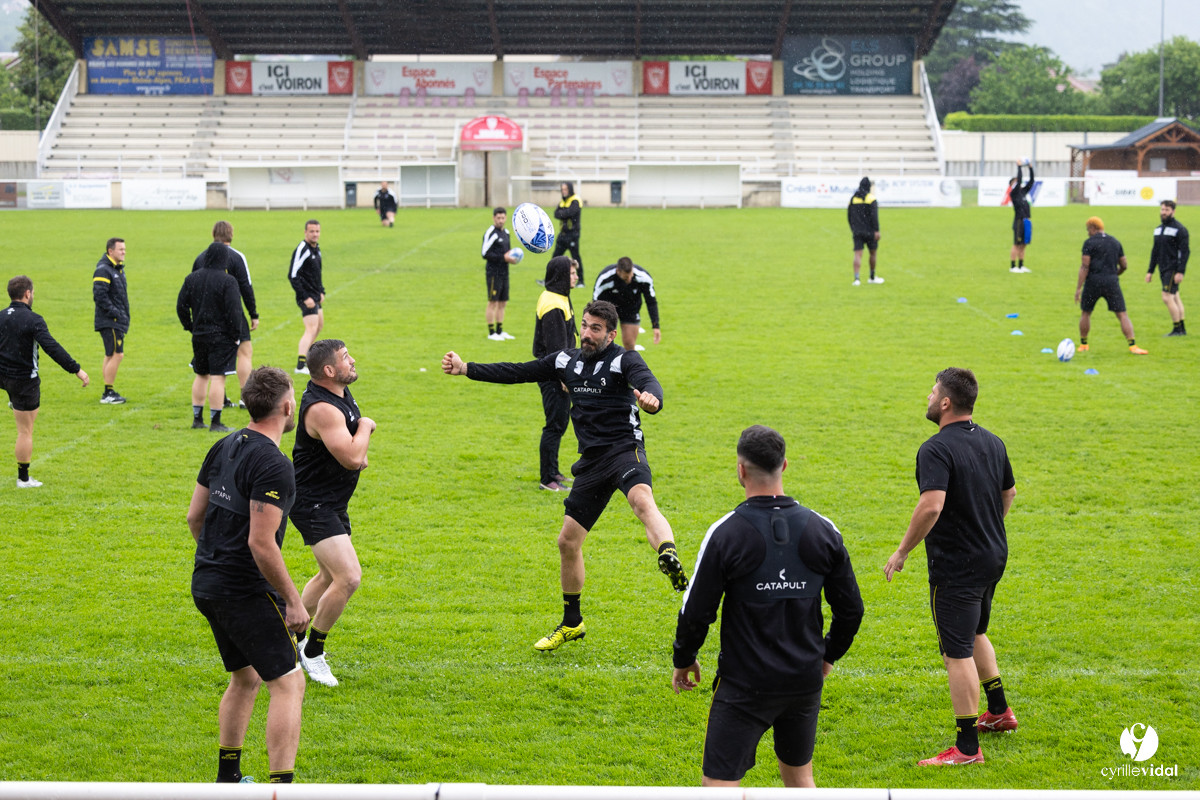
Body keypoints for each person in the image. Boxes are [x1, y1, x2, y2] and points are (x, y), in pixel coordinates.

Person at [442, 300, 688, 651]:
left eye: (595, 329)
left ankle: (668, 554)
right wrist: (467, 368)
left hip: (624, 451)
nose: (587, 333)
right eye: (584, 325)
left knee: (641, 501)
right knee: (567, 542)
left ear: (611, 335)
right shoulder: (564, 361)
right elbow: (517, 371)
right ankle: (572, 622)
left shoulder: (624, 360)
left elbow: (649, 382)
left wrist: (653, 400)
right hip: (591, 462)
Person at [672, 425, 863, 788]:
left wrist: (684, 658)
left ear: (741, 470)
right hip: (803, 681)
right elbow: (851, 610)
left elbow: (697, 612)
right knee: (800, 780)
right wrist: (827, 656)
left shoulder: (725, 533)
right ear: (784, 465)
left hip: (745, 685)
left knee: (718, 787)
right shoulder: (823, 530)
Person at [884, 368, 1019, 766]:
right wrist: (987, 527)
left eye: (932, 393)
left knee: (955, 654)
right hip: (992, 554)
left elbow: (931, 506)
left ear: (945, 402)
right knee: (975, 631)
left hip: (958, 565)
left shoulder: (936, 448)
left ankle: (967, 748)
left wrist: (902, 551)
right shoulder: (993, 441)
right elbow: (1009, 492)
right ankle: (999, 711)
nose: (927, 398)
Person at [187, 366, 308, 784]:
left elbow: (194, 517)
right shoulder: (274, 465)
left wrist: (217, 560)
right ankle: (281, 788)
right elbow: (262, 543)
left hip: (207, 582)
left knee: (246, 676)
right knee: (289, 682)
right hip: (241, 590)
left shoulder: (224, 445)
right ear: (287, 407)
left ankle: (228, 779)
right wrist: (293, 600)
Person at [290, 339, 376, 688]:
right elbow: (353, 457)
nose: (352, 360)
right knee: (349, 577)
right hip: (313, 503)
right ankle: (313, 651)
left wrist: (357, 448)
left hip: (332, 501)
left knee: (328, 576)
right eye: (345, 358)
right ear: (329, 370)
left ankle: (288, 638)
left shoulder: (339, 392)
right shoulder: (323, 408)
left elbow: (351, 453)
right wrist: (366, 427)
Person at [0, 276, 89, 488]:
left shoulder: (1, 316)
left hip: (4, 377)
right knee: (25, 431)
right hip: (24, 381)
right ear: (27, 293)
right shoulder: (33, 319)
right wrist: (76, 369)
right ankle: (23, 479)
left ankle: (13, 400)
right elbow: (52, 348)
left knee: (21, 417)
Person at [178, 243, 244, 432]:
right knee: (217, 377)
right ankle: (216, 422)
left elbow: (181, 306)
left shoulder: (192, 278)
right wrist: (235, 335)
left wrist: (190, 326)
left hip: (199, 335)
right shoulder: (228, 281)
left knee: (201, 374)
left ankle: (197, 419)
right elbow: (234, 311)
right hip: (221, 337)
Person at [193, 221, 259, 409]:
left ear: (213, 233)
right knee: (244, 352)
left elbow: (194, 286)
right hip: (233, 312)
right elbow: (246, 287)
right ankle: (245, 398)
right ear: (231, 234)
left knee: (210, 360)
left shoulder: (201, 257)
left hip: (207, 316)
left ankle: (219, 399)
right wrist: (253, 313)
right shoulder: (237, 257)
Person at [533, 256, 578, 492]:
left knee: (559, 423)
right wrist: (564, 378)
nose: (576, 277)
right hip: (553, 376)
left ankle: (554, 471)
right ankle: (547, 479)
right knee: (554, 425)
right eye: (572, 273)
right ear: (561, 275)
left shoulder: (558, 296)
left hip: (556, 373)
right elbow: (556, 350)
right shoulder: (553, 305)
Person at [1074, 217, 1148, 355]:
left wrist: (1079, 288)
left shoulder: (1089, 243)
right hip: (1111, 283)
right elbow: (1124, 265)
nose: (1087, 233)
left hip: (1093, 282)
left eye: (1088, 229)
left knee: (1086, 312)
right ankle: (1133, 346)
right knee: (1122, 314)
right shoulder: (1115, 242)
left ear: (1093, 228)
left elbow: (1085, 266)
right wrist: (1114, 274)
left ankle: (1083, 344)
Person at [592, 257, 660, 352]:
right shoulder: (605, 278)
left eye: (631, 276)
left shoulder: (643, 277)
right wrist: (595, 323)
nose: (629, 280)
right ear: (618, 272)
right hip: (609, 310)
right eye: (625, 278)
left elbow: (651, 301)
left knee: (629, 344)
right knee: (604, 344)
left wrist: (655, 325)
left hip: (631, 309)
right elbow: (595, 302)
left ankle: (629, 361)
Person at [92, 236, 129, 404]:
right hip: (110, 321)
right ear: (110, 251)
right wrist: (116, 313)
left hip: (114, 320)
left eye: (124, 249)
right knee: (117, 354)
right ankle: (108, 393)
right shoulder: (103, 270)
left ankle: (108, 391)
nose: (124, 252)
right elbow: (99, 296)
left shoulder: (117, 269)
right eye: (120, 249)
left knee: (110, 354)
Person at [1146, 199, 1188, 336]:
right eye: (1162, 209)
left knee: (1167, 297)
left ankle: (1177, 329)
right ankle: (1181, 329)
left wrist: (1180, 271)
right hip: (1162, 268)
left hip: (1173, 268)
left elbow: (1185, 252)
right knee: (1175, 296)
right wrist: (1150, 271)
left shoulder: (1179, 229)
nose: (1163, 212)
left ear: (1173, 212)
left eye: (1167, 210)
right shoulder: (1158, 230)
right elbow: (1155, 251)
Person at [288, 220, 324, 375]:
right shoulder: (302, 249)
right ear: (305, 232)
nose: (315, 234)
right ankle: (300, 366)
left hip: (315, 295)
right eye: (312, 231)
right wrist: (305, 297)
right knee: (310, 329)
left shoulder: (316, 249)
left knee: (319, 326)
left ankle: (309, 359)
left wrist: (321, 291)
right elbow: (292, 275)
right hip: (306, 296)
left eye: (317, 231)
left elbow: (316, 273)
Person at [483, 207, 520, 341]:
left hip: (505, 272)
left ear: (506, 218)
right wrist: (503, 258)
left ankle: (500, 331)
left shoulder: (507, 233)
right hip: (493, 273)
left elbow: (508, 253)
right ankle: (491, 332)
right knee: (493, 302)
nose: (500, 220)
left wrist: (512, 259)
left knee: (503, 302)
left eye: (503, 218)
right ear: (494, 218)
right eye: (498, 218)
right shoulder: (490, 233)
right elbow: (485, 253)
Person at [847, 177, 882, 286]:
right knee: (873, 253)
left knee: (858, 254)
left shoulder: (853, 199)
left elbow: (849, 216)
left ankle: (856, 279)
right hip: (870, 231)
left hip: (857, 231)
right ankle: (872, 277)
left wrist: (853, 228)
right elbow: (874, 217)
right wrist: (876, 230)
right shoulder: (871, 199)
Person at [552, 182, 584, 288]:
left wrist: (563, 213)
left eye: (565, 189)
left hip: (572, 235)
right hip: (562, 234)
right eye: (562, 189)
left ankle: (581, 281)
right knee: (555, 258)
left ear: (570, 189)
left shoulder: (575, 200)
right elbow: (556, 214)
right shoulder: (563, 201)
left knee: (575, 258)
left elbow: (570, 213)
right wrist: (564, 213)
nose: (564, 191)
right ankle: (550, 279)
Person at [1008, 161, 1034, 273]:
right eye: (1015, 181)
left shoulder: (1023, 192)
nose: (1018, 182)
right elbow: (1019, 180)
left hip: (1026, 221)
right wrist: (1019, 167)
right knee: (1017, 244)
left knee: (1024, 244)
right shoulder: (1013, 194)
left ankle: (1021, 265)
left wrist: (1030, 168)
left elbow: (1031, 182)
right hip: (1018, 221)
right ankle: (1013, 266)